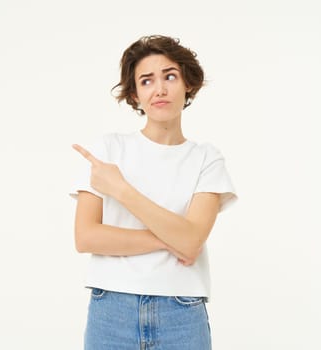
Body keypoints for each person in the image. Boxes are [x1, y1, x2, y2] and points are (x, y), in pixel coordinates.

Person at [70, 35, 237, 350]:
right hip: (111, 309)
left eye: (169, 76)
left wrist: (120, 189)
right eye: (147, 81)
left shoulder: (206, 158)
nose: (159, 89)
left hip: (182, 312)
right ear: (135, 94)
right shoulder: (107, 149)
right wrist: (168, 239)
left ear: (187, 83)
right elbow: (86, 237)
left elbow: (190, 242)